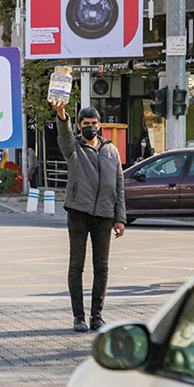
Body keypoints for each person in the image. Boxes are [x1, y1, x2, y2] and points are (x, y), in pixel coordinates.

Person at [52, 101, 126, 333]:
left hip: (104, 214)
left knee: (101, 268)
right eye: (86, 124)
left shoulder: (111, 150)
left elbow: (119, 185)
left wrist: (120, 217)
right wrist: (61, 114)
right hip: (78, 212)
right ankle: (79, 317)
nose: (90, 127)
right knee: (77, 266)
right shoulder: (73, 147)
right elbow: (64, 136)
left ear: (100, 125)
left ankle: (97, 316)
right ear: (79, 125)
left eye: (94, 124)